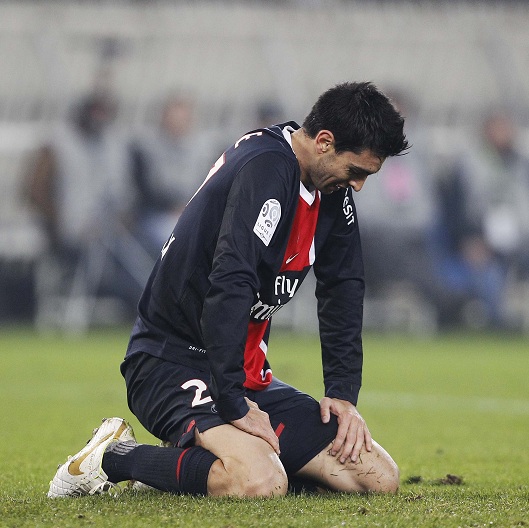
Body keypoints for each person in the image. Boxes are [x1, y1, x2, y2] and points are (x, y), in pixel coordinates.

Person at [48, 82, 409, 499]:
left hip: (243, 374)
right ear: (324, 142)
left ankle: (195, 464)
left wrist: (342, 394)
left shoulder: (329, 186)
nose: (359, 186)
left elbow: (343, 286)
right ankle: (111, 457)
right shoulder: (267, 167)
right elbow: (232, 280)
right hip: (170, 364)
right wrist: (233, 401)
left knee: (376, 477)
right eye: (357, 171)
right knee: (260, 481)